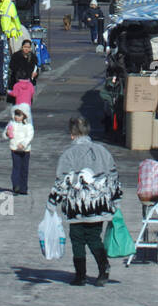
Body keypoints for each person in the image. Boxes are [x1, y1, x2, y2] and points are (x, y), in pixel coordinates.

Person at [51, 115, 121, 285]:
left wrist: (52, 202)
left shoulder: (68, 155)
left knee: (77, 238)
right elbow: (113, 175)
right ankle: (103, 268)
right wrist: (115, 200)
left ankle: (80, 275)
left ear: (72, 134)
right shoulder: (103, 151)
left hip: (76, 206)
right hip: (99, 205)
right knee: (94, 236)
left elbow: (62, 181)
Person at [4, 103, 33, 195]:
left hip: (25, 150)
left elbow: (30, 136)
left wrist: (24, 144)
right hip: (14, 149)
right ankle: (16, 185)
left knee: (24, 169)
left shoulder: (28, 126)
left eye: (19, 115)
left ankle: (23, 188)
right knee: (16, 168)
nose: (17, 117)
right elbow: (5, 133)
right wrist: (7, 134)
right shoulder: (11, 123)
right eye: (16, 114)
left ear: (24, 116)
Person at [8, 37, 39, 106]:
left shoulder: (33, 57)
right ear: (22, 47)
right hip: (17, 82)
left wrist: (36, 73)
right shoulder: (16, 56)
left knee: (27, 101)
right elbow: (12, 67)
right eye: (25, 47)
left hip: (29, 82)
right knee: (17, 102)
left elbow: (36, 68)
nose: (26, 49)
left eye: (28, 47)